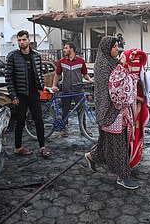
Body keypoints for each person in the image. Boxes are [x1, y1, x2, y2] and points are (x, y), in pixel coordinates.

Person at [84, 36, 140, 190]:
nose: (117, 49)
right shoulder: (102, 66)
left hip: (117, 109)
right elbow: (110, 89)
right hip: (109, 110)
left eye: (117, 46)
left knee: (106, 142)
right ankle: (123, 176)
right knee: (119, 143)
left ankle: (91, 156)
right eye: (114, 46)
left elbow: (121, 81)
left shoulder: (113, 63)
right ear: (107, 48)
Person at [6, 30, 51, 158]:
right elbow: (8, 77)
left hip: (34, 94)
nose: (21, 42)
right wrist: (13, 95)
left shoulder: (36, 56)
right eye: (19, 40)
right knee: (20, 122)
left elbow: (40, 73)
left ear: (28, 40)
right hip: (20, 95)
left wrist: (41, 87)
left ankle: (42, 147)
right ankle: (18, 147)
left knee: (39, 121)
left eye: (23, 39)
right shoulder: (12, 56)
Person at [51, 42, 93, 137]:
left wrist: (90, 80)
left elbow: (85, 74)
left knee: (81, 110)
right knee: (65, 110)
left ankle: (83, 130)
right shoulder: (62, 61)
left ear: (72, 49)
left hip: (78, 90)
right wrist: (54, 85)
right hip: (66, 90)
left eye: (66, 48)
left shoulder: (80, 61)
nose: (64, 50)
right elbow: (57, 74)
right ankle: (64, 129)